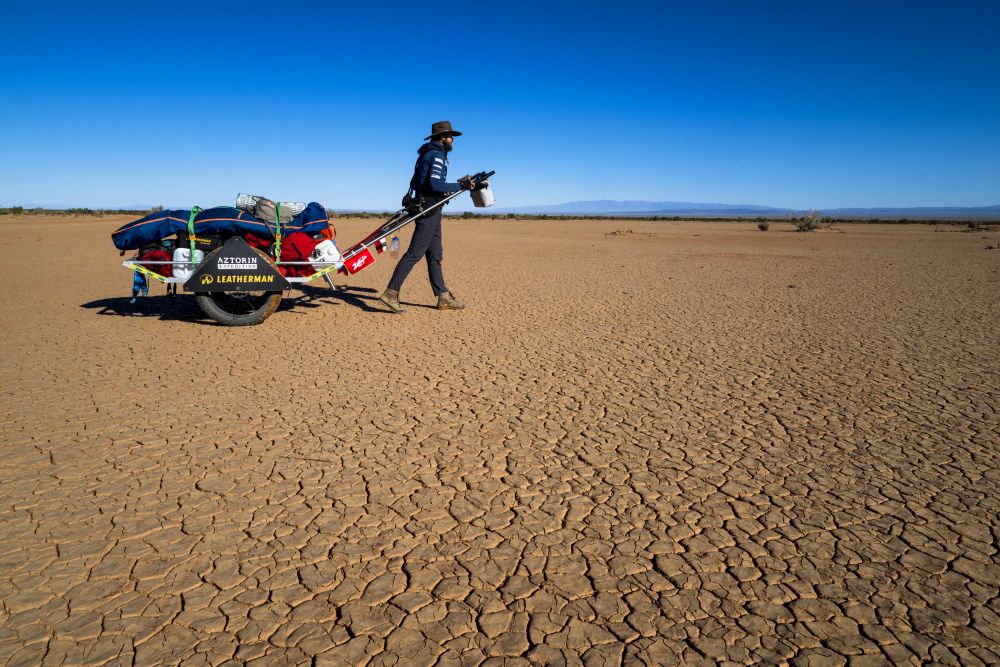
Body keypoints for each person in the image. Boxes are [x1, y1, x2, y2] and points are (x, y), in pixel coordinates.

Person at [379, 120, 474, 313]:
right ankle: (390, 293)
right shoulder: (436, 155)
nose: (452, 141)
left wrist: (449, 190)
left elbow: (429, 184)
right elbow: (435, 184)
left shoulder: (428, 153)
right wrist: (460, 186)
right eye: (450, 137)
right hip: (429, 209)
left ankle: (443, 296)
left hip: (431, 207)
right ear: (442, 137)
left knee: (435, 254)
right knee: (415, 252)